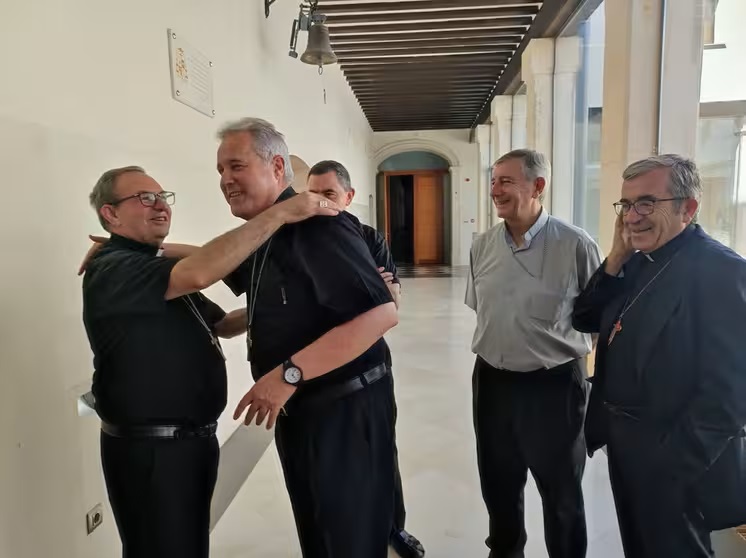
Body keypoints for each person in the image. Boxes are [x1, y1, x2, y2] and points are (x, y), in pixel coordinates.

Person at [81, 165, 338, 558]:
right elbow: (202, 271)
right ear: (110, 214)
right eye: (145, 198)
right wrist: (280, 214)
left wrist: (297, 307)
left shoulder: (156, 268)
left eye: (163, 197)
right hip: (152, 452)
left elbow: (221, 324)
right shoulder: (114, 268)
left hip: (189, 444)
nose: (160, 206)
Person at [218, 118, 399, 558]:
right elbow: (220, 265)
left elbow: (381, 314)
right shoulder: (268, 231)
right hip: (303, 411)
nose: (225, 180)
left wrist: (288, 375)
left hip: (342, 412)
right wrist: (147, 250)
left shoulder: (319, 226)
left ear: (277, 167)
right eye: (220, 170)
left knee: (347, 535)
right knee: (319, 529)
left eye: (236, 166)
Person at [572, 154, 746, 558]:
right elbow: (584, 318)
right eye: (627, 204)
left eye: (647, 203)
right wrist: (615, 258)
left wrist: (673, 467)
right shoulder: (637, 261)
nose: (632, 217)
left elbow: (730, 393)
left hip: (674, 455)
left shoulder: (721, 271)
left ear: (688, 207)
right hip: (624, 442)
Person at [465, 149, 602, 558]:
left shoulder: (575, 244)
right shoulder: (482, 245)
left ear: (538, 185)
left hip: (554, 387)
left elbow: (597, 322)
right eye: (493, 181)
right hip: (491, 382)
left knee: (561, 492)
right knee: (498, 485)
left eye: (506, 181)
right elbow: (484, 310)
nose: (495, 190)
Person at [306, 159, 424, 558]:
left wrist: (379, 297)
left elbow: (391, 303)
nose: (320, 203)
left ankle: (394, 528)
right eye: (313, 194)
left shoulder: (369, 237)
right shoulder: (299, 236)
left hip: (370, 368)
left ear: (349, 196)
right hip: (321, 372)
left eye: (329, 194)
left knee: (382, 452)